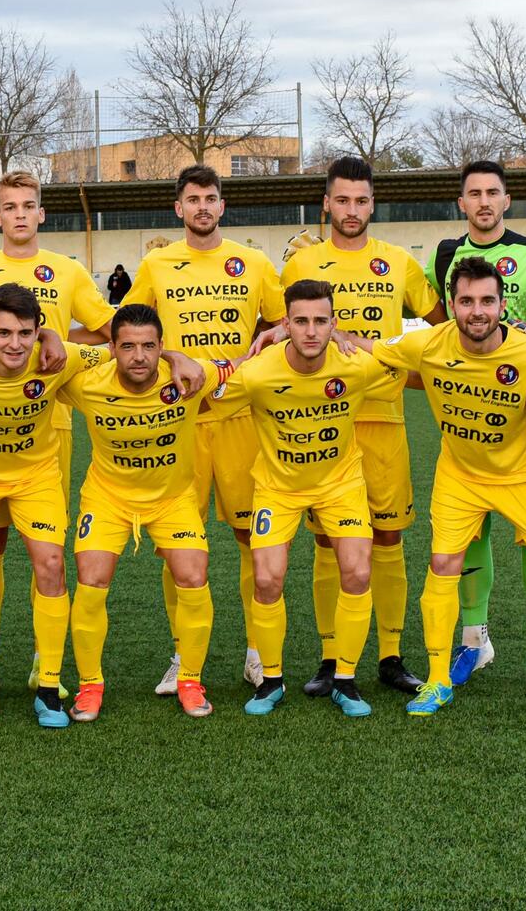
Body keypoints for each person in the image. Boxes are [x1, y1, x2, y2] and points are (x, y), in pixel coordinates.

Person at [367, 256, 526, 720]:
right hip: (460, 476)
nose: (477, 311)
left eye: (487, 300)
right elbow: (368, 349)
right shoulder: (428, 343)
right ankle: (437, 680)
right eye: (466, 301)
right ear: (452, 305)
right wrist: (302, 332)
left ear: (503, 305)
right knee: (442, 564)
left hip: (522, 476)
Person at [266, 156, 446, 697]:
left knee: (388, 537)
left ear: (373, 204)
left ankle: (390, 655)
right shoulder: (301, 264)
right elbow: (277, 330)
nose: (351, 209)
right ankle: (330, 658)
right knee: (328, 540)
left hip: (383, 420)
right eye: (342, 200)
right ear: (326, 203)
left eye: (361, 200)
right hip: (320, 424)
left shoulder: (397, 262)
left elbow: (441, 327)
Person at [0, 171, 118, 697]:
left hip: (48, 424)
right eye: (10, 206)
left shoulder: (67, 270)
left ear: (41, 213)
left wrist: (57, 336)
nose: (20, 214)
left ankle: (45, 660)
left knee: (47, 552)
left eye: (28, 205)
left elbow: (105, 329)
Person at [123, 164, 285, 693]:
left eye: (210, 198)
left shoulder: (253, 262)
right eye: (193, 199)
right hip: (180, 422)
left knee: (251, 537)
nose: (202, 207)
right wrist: (170, 354)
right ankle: (182, 655)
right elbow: (131, 328)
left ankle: (258, 652)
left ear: (222, 205)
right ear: (179, 208)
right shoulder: (157, 263)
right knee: (179, 543)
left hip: (240, 418)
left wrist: (269, 340)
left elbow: (282, 321)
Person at [0, 284, 111, 731]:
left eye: (26, 333)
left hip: (35, 477)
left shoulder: (58, 357)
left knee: (51, 565)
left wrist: (175, 357)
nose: (15, 344)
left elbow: (119, 348)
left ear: (37, 331)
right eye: (5, 333)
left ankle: (48, 684)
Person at [229, 279, 406, 718]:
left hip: (340, 484)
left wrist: (358, 342)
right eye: (301, 321)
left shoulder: (355, 366)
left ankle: (345, 680)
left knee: (358, 572)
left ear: (333, 324)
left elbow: (409, 362)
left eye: (321, 321)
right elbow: (204, 391)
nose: (311, 331)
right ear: (285, 324)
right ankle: (271, 681)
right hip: (277, 487)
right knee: (267, 580)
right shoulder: (258, 372)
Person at [428, 160, 526, 689]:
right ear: (461, 202)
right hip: (465, 415)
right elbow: (430, 312)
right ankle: (474, 640)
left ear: (506, 201)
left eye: (493, 193)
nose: (484, 202)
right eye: (474, 193)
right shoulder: (445, 255)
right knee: (468, 538)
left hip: (519, 417)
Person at [58, 304, 225, 721]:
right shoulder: (88, 384)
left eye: (149, 346)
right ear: (112, 348)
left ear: (161, 346)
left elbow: (235, 367)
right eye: (128, 346)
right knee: (92, 580)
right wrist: (45, 335)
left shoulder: (187, 377)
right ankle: (89, 686)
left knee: (193, 576)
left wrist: (273, 337)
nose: (139, 356)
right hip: (107, 498)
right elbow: (45, 361)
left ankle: (190, 680)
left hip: (172, 499)